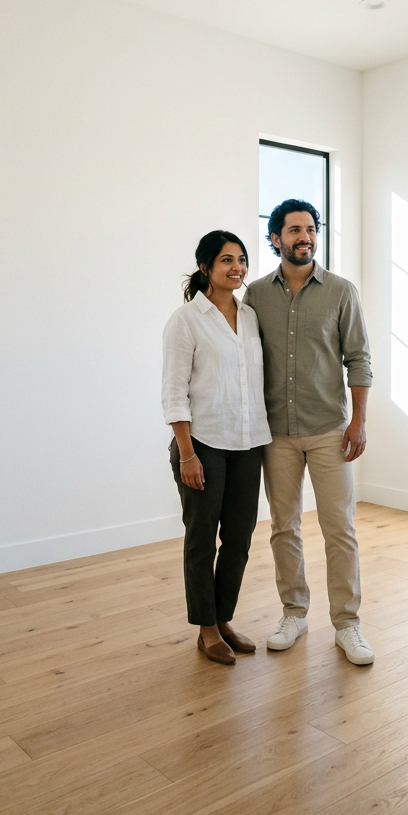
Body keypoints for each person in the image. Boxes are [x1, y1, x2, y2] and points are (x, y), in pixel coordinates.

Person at [244, 199, 375, 665]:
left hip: (328, 430)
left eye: (311, 229)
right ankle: (294, 613)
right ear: (275, 238)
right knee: (285, 527)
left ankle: (347, 624)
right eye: (294, 229)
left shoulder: (341, 291)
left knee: (339, 528)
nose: (305, 237)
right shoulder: (255, 296)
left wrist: (358, 420)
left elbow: (358, 358)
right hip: (276, 431)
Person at [161, 230, 272, 666]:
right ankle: (206, 629)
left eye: (242, 259)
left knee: (240, 539)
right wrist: (187, 454)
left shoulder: (250, 317)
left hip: (248, 442)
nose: (237, 267)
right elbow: (174, 393)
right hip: (203, 444)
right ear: (205, 267)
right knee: (202, 539)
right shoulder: (185, 320)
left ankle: (223, 618)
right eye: (226, 260)